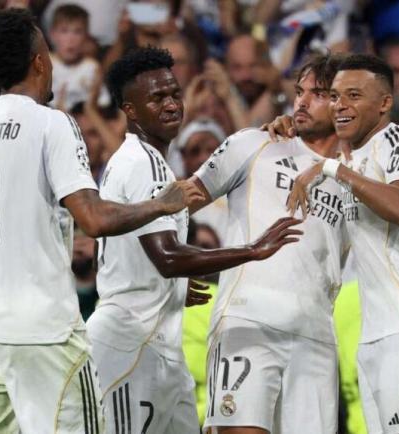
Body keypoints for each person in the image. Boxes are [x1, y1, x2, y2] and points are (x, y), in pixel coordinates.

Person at [0, 9, 203, 433]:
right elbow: (93, 218)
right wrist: (161, 204)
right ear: (39, 61)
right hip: (43, 330)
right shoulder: (51, 123)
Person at [86, 46, 301, 434]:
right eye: (157, 98)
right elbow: (168, 257)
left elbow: (140, 252)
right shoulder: (142, 163)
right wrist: (253, 250)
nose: (171, 105)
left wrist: (171, 288)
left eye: (174, 94)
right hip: (129, 343)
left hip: (159, 343)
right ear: (130, 109)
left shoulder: (148, 161)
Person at [286, 53, 399, 433]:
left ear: (385, 103)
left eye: (354, 95)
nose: (340, 106)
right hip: (376, 333)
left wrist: (334, 169)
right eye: (335, 96)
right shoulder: (352, 160)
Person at [189, 53, 350, 434]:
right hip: (247, 320)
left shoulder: (357, 173)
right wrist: (162, 266)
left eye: (317, 94)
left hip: (315, 333)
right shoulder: (254, 144)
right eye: (299, 92)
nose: (301, 102)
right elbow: (183, 200)